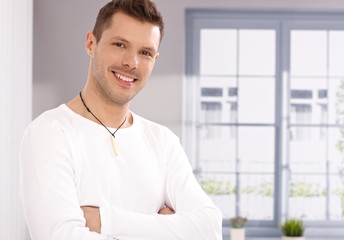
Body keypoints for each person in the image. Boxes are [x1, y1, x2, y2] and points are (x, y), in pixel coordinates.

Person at [19, 0, 223, 239]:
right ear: (91, 44)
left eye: (145, 52)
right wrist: (165, 228)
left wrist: (105, 221)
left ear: (155, 59)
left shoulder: (163, 141)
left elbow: (209, 228)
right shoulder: (50, 133)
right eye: (119, 44)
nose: (132, 63)